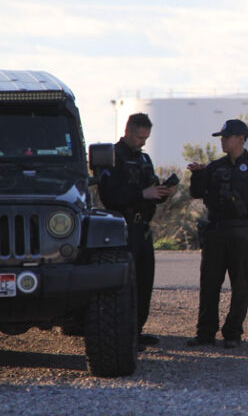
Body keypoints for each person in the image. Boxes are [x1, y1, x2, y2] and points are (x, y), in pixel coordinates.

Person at [186, 119, 248, 349]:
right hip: (216, 231)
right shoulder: (215, 167)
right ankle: (205, 333)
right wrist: (197, 174)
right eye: (222, 137)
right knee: (209, 284)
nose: (223, 141)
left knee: (240, 284)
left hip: (243, 231)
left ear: (240, 139)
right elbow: (196, 193)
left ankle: (233, 333)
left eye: (227, 137)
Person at [98, 112, 174, 348]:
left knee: (144, 283)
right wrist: (141, 194)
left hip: (143, 228)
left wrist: (161, 193)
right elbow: (109, 195)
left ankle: (137, 331)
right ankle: (124, 334)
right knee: (125, 284)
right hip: (123, 229)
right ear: (128, 131)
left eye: (146, 138)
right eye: (140, 137)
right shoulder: (112, 156)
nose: (143, 142)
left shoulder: (144, 159)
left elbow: (150, 189)